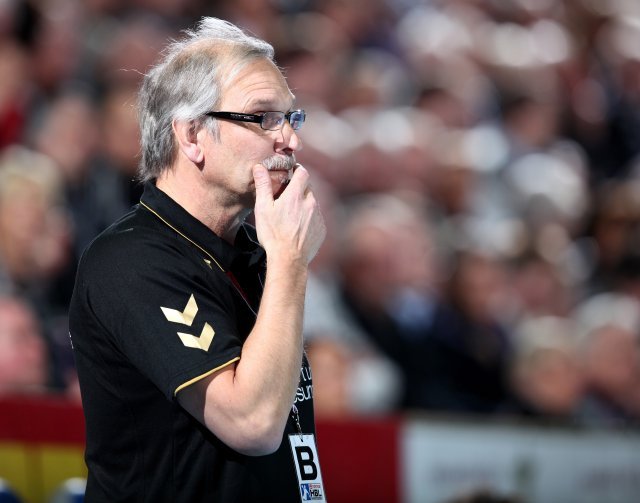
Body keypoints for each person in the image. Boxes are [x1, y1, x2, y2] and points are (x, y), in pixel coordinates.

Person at [68, 17, 326, 503]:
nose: (289, 141)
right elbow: (252, 423)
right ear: (191, 135)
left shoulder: (256, 254)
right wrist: (291, 262)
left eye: (292, 118)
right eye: (263, 117)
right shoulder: (132, 259)